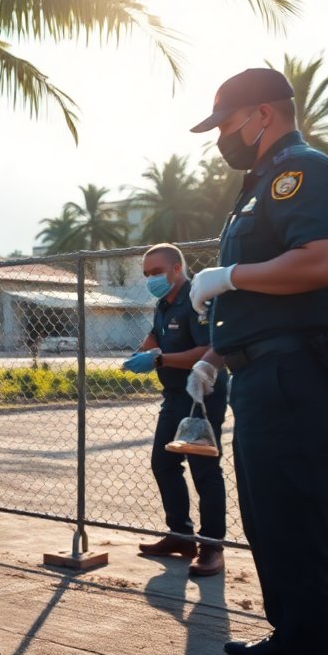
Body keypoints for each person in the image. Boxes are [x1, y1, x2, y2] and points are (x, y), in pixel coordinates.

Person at [186, 68, 328, 655]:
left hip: (299, 382)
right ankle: (294, 640)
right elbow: (262, 308)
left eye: (226, 124)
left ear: (262, 114)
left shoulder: (300, 173)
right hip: (263, 378)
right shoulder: (258, 186)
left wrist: (229, 274)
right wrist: (214, 359)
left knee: (302, 536)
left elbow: (321, 262)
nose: (222, 138)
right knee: (269, 527)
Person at [122, 243, 229, 576]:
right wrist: (145, 348)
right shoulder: (163, 303)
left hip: (201, 393)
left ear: (177, 268)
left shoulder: (198, 299)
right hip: (174, 395)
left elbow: (209, 347)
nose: (151, 278)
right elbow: (158, 333)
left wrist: (159, 359)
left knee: (204, 470)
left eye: (157, 272)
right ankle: (181, 535)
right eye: (147, 274)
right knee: (163, 463)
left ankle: (211, 546)